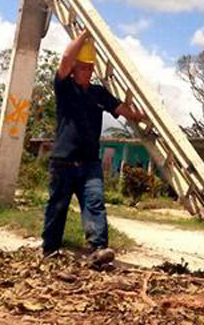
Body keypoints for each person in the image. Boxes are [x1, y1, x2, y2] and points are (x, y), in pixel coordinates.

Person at [43, 29, 145, 265]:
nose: (86, 71)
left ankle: (98, 250)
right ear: (75, 68)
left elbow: (120, 108)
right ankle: (50, 250)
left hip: (89, 163)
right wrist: (84, 35)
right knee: (57, 207)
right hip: (63, 162)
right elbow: (65, 59)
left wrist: (139, 116)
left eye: (90, 67)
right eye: (82, 67)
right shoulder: (64, 87)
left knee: (95, 203)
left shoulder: (98, 93)